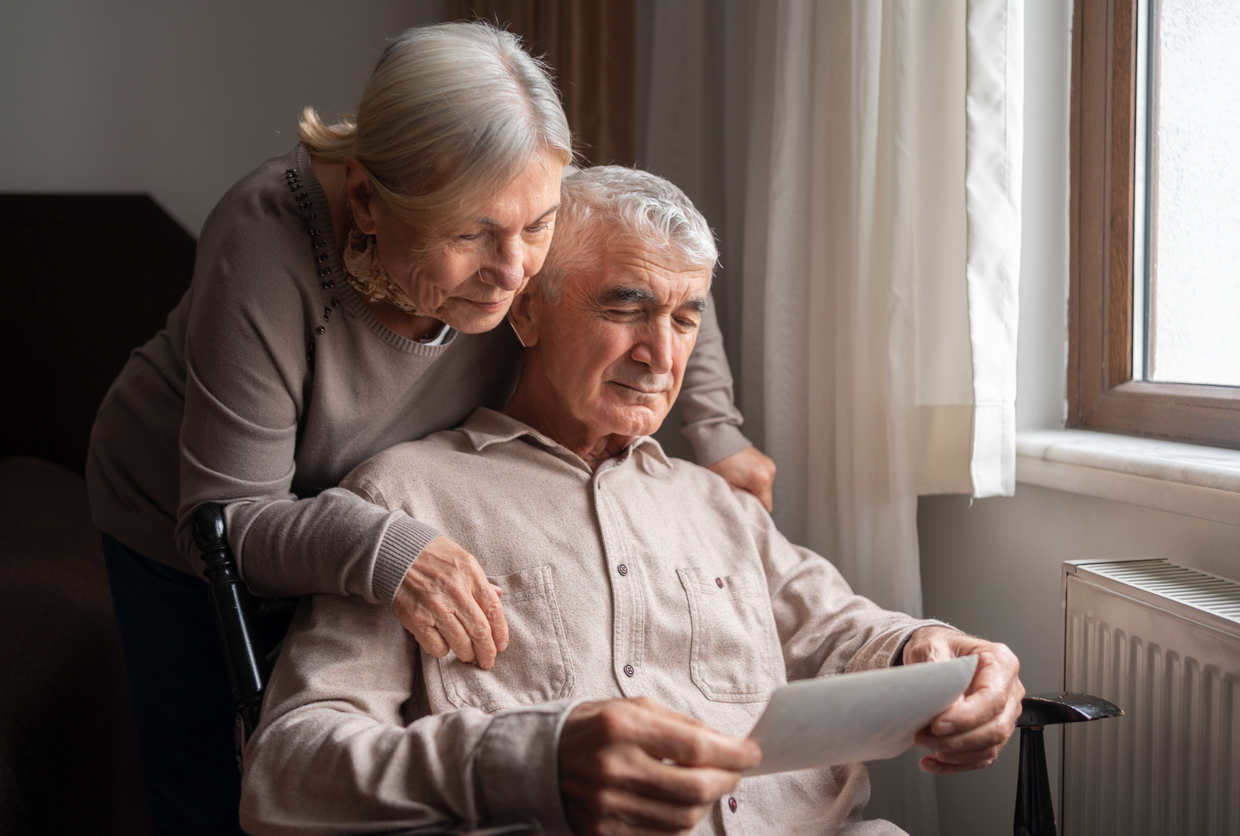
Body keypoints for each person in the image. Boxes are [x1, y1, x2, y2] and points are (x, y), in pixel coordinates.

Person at [85, 24, 772, 834]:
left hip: (367, 484)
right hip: (191, 515)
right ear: (370, 200)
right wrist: (385, 548)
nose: (515, 269)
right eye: (472, 233)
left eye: (538, 227)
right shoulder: (266, 239)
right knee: (212, 784)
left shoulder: (517, 184)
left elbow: (658, 261)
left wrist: (718, 433)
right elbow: (228, 523)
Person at [239, 167, 1024, 836]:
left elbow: (841, 628)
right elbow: (286, 769)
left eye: (683, 318)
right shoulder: (405, 499)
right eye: (625, 308)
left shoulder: (718, 508)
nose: (661, 355)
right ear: (528, 309)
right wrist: (533, 762)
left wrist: (933, 649)